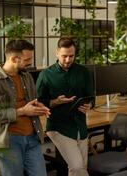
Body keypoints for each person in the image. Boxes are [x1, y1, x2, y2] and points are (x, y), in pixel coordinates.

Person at [0, 39, 50, 176]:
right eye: (27, 59)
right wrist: (23, 111)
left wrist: (39, 106)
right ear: (14, 59)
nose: (30, 62)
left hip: (33, 136)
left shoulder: (27, 76)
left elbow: (32, 101)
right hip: (9, 141)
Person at [36, 37, 94, 176]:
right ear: (57, 53)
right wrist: (55, 102)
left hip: (80, 126)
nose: (68, 60)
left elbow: (91, 97)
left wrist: (89, 105)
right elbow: (37, 102)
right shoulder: (46, 75)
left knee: (80, 167)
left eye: (71, 56)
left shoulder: (84, 72)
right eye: (64, 56)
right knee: (77, 166)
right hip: (58, 127)